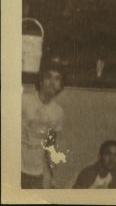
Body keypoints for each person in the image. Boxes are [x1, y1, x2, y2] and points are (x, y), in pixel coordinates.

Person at [21, 61, 66, 189]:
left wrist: (53, 176)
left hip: (36, 173)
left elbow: (50, 146)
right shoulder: (24, 101)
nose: (52, 82)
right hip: (15, 168)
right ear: (40, 81)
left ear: (60, 86)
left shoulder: (58, 112)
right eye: (48, 77)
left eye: (57, 79)